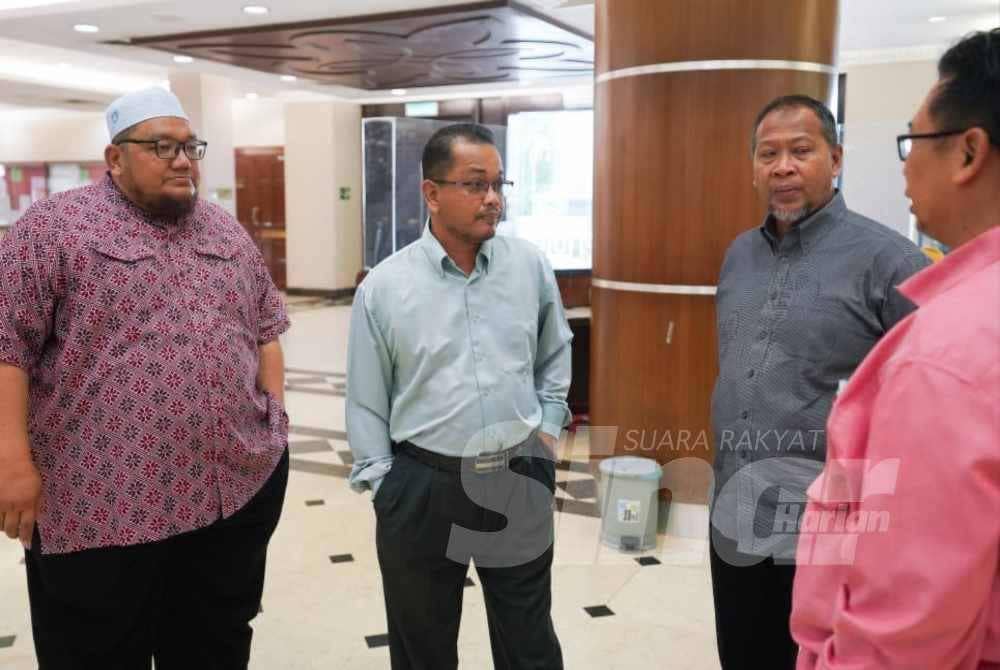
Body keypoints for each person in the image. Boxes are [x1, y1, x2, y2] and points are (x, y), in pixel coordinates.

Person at [0, 86, 290, 668]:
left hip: (226, 499)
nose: (182, 160)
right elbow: (8, 348)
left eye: (189, 146)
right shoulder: (53, 230)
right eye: (161, 146)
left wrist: (275, 423)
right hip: (100, 510)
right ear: (115, 158)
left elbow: (265, 326)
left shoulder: (224, 232)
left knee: (215, 643)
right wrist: (12, 462)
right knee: (97, 652)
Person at [791, 28, 1000, 668]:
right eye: (765, 151)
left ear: (968, 152)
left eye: (913, 141)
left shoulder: (947, 348)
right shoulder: (739, 253)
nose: (906, 164)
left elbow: (908, 625)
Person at [709, 94, 930, 669]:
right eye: (768, 154)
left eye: (800, 151)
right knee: (742, 651)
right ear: (754, 166)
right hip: (733, 510)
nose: (782, 166)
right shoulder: (738, 256)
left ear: (835, 159)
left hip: (825, 528)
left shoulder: (891, 262)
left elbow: (927, 408)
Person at [346, 123, 572, 670]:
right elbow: (365, 397)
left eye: (499, 184)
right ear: (431, 192)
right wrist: (385, 486)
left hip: (517, 473)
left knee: (528, 639)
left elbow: (554, 353)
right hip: (423, 485)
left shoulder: (529, 267)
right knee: (423, 643)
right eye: (475, 184)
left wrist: (546, 430)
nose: (493, 199)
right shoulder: (385, 286)